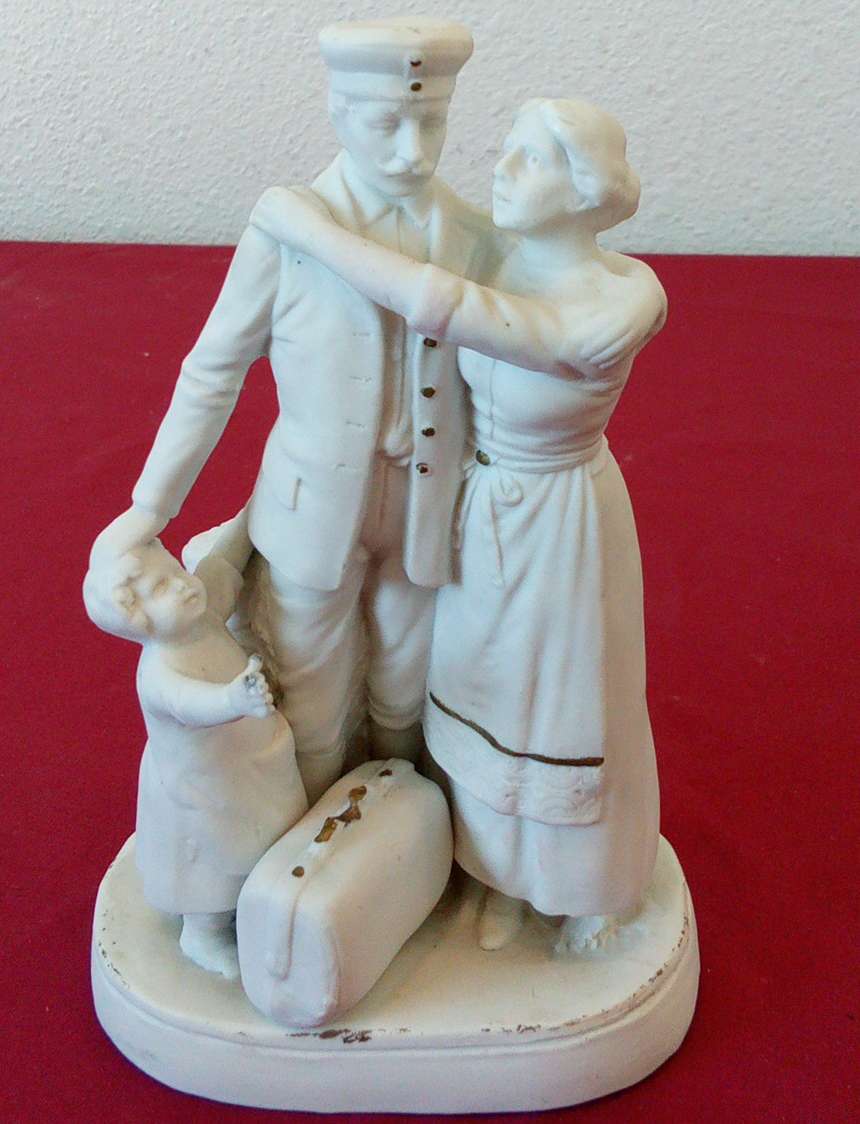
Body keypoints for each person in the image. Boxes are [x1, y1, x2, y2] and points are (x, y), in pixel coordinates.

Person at [91, 19, 663, 808]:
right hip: (310, 513)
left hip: (431, 513)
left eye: (430, 123)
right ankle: (309, 835)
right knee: (309, 696)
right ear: (338, 111)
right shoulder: (283, 234)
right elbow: (212, 373)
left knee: (406, 691)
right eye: (386, 123)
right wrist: (150, 507)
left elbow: (557, 303)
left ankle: (401, 832)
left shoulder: (477, 238)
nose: (411, 151)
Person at [249, 97, 665, 953]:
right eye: (505, 148)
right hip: (480, 518)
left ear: (586, 190)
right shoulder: (498, 258)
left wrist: (308, 228)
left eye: (531, 158)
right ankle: (496, 876)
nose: (500, 168)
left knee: (561, 709)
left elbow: (439, 306)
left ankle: (587, 890)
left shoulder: (619, 302)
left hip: (557, 527)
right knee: (478, 696)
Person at [83, 540, 307, 977]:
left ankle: (257, 904)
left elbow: (223, 565)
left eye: (176, 572)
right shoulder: (160, 670)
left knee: (266, 838)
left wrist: (248, 520)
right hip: (205, 792)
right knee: (214, 869)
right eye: (162, 588)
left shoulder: (201, 615)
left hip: (253, 766)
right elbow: (189, 703)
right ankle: (204, 933)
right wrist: (233, 699)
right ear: (139, 620)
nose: (183, 585)